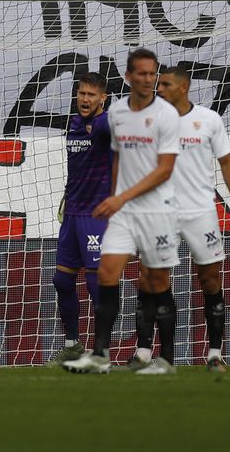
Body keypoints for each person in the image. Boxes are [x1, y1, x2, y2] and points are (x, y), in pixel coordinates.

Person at [63, 49, 180, 375]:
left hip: (155, 207)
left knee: (156, 281)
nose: (144, 79)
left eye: (149, 74)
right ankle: (106, 353)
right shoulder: (117, 117)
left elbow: (165, 167)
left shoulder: (164, 116)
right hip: (119, 210)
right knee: (108, 275)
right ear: (129, 78)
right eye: (138, 73)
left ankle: (164, 358)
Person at [154, 64, 230, 372]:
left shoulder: (208, 120)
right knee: (158, 281)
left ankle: (215, 353)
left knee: (209, 280)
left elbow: (227, 161)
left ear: (182, 88)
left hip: (201, 213)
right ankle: (164, 355)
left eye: (165, 85)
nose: (159, 90)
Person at [51, 73, 113, 364]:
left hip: (95, 216)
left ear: (103, 98)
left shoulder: (103, 124)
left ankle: (101, 351)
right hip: (72, 215)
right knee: (62, 281)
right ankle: (72, 344)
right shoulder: (75, 123)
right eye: (81, 93)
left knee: (96, 286)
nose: (85, 99)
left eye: (91, 94)